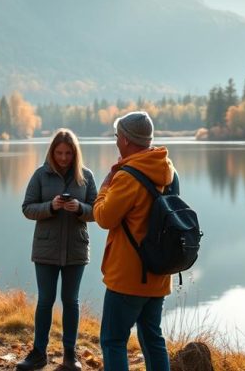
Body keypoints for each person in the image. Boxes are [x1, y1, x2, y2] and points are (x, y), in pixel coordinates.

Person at [93, 111, 178, 371]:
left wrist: (105, 186)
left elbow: (104, 217)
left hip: (128, 276)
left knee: (113, 340)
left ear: (127, 141)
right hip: (158, 272)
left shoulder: (128, 177)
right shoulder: (167, 170)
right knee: (153, 339)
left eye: (117, 136)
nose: (116, 141)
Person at [19, 129, 98, 371]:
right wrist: (51, 206)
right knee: (45, 301)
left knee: (70, 301)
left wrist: (80, 208)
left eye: (68, 153)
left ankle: (69, 356)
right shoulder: (40, 175)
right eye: (59, 152)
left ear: (75, 153)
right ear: (52, 152)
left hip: (76, 249)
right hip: (46, 249)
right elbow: (27, 208)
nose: (63, 158)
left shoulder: (85, 176)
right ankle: (38, 353)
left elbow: (97, 211)